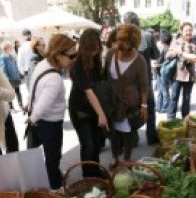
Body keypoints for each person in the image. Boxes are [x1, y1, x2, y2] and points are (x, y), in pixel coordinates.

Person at [27, 34, 76, 189]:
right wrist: (33, 117)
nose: (73, 59)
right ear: (59, 55)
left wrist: (31, 112)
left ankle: (49, 178)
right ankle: (55, 186)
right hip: (49, 123)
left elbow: (33, 89)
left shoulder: (43, 64)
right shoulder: (54, 78)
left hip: (38, 120)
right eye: (71, 55)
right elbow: (43, 105)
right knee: (53, 157)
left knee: (43, 156)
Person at [104, 24, 149, 169]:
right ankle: (114, 156)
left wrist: (143, 105)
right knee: (113, 131)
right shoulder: (111, 54)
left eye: (125, 42)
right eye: (120, 41)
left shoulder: (139, 60)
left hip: (129, 103)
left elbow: (143, 85)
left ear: (133, 43)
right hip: (112, 101)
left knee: (128, 131)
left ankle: (127, 157)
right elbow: (104, 76)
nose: (121, 46)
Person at [69, 29, 109, 178]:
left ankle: (95, 171)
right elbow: (89, 91)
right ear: (84, 47)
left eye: (96, 49)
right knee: (88, 144)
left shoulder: (97, 61)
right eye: (91, 50)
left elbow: (100, 84)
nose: (94, 53)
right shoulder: (77, 65)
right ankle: (88, 176)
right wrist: (102, 115)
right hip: (79, 110)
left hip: (93, 108)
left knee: (96, 142)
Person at [123, 11, 159, 145]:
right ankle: (151, 137)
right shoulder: (148, 36)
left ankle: (133, 139)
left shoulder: (122, 38)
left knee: (132, 110)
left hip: (130, 82)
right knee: (149, 108)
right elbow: (156, 55)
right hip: (145, 81)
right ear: (138, 21)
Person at [165, 22, 196, 120]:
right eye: (186, 30)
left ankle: (185, 119)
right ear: (182, 31)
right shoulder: (176, 41)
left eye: (190, 30)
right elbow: (167, 56)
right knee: (174, 98)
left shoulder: (195, 43)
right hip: (178, 75)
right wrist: (176, 52)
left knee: (187, 99)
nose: (188, 32)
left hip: (190, 75)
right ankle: (170, 119)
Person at [0, 41, 23, 111]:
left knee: (18, 92)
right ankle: (11, 107)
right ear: (6, 48)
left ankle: (21, 105)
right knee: (9, 93)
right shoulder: (2, 58)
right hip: (9, 78)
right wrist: (6, 79)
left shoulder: (11, 56)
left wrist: (18, 74)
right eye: (10, 47)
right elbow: (3, 69)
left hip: (15, 77)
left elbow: (15, 66)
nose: (12, 48)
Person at [155, 29, 172, 113]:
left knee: (163, 90)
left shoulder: (160, 46)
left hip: (162, 70)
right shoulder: (169, 46)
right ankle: (160, 106)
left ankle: (163, 107)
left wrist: (158, 65)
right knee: (162, 89)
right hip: (164, 71)